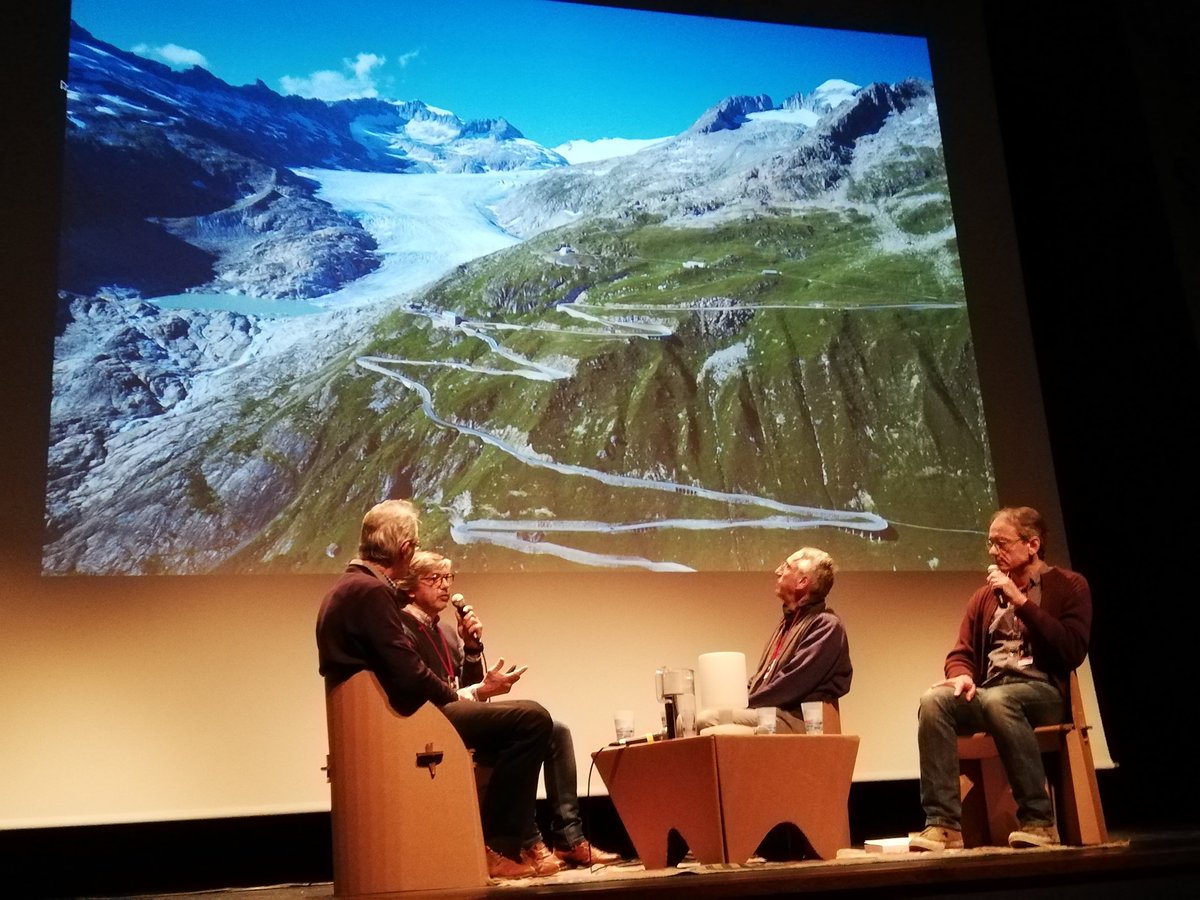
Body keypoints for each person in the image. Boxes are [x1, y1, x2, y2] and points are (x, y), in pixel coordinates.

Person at [315, 500, 553, 880]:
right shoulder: (370, 592)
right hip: (406, 718)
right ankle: (496, 846)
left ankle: (524, 840)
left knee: (535, 725)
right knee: (533, 719)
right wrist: (461, 696)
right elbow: (409, 675)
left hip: (389, 714)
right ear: (406, 549)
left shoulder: (347, 588)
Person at [398, 550, 623, 873]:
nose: (444, 586)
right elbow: (434, 694)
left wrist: (473, 651)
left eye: (448, 578)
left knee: (556, 731)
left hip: (457, 714)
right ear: (409, 588)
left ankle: (568, 839)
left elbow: (463, 687)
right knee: (531, 720)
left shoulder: (446, 631)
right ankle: (523, 842)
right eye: (433, 579)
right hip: (432, 722)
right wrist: (480, 690)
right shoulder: (404, 628)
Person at [910, 506, 1092, 852]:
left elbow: (1072, 649)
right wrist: (961, 676)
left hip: (1044, 694)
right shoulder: (983, 597)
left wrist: (1022, 601)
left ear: (1032, 544)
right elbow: (961, 652)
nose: (993, 552)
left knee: (999, 701)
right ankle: (944, 824)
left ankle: (1039, 821)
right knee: (934, 702)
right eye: (990, 544)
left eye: (1001, 544)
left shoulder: (1070, 586)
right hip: (993, 693)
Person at [746, 547, 853, 733]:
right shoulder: (787, 625)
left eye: (786, 566)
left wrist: (746, 704)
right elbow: (763, 678)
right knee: (706, 716)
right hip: (771, 711)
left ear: (803, 581)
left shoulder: (826, 625)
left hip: (798, 718)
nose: (777, 571)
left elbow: (792, 683)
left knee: (709, 720)